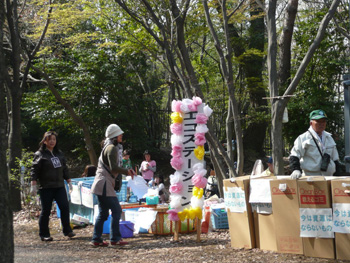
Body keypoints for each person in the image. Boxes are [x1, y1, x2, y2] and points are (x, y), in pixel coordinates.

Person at [90, 124, 135, 247]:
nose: (121, 135)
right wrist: (127, 171)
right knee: (116, 210)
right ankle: (115, 238)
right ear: (114, 136)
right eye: (119, 134)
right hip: (104, 184)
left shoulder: (110, 147)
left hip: (102, 183)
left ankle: (96, 239)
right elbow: (113, 167)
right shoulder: (111, 148)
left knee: (103, 213)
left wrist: (126, 171)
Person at [30, 131, 75, 241]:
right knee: (46, 211)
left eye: (54, 139)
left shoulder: (59, 153)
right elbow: (34, 170)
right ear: (44, 141)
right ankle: (44, 234)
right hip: (46, 187)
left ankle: (67, 230)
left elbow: (64, 168)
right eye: (49, 139)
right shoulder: (39, 154)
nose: (52, 141)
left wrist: (69, 181)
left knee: (64, 207)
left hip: (59, 186)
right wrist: (33, 184)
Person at [289, 109, 340, 179]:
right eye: (318, 121)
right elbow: (294, 155)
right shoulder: (303, 138)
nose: (321, 124)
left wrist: (337, 176)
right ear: (311, 123)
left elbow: (335, 159)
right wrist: (295, 169)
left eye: (323, 121)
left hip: (328, 177)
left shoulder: (329, 137)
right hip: (310, 178)